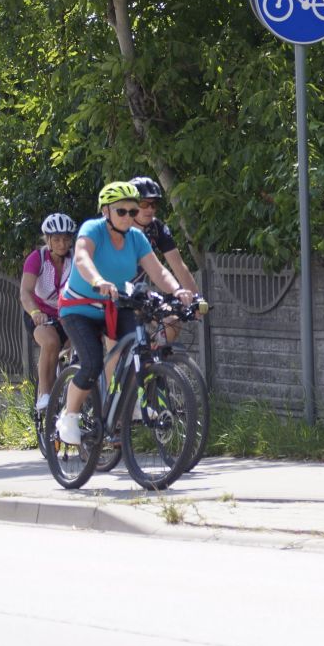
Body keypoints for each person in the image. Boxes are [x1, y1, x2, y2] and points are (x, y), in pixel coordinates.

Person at [54, 182, 195, 445]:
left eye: (133, 211)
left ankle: (129, 406)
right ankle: (69, 416)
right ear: (105, 211)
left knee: (139, 350)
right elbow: (82, 258)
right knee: (92, 363)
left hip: (116, 305)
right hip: (80, 308)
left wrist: (178, 291)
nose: (129, 217)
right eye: (122, 211)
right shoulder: (92, 229)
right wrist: (98, 280)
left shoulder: (136, 238)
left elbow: (158, 271)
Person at [128, 175, 199, 344]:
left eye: (154, 204)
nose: (150, 209)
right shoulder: (118, 227)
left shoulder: (156, 228)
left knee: (171, 321)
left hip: (137, 293)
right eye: (144, 204)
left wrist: (196, 299)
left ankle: (150, 356)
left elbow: (179, 266)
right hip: (107, 293)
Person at [19, 213, 76, 415]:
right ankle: (44, 394)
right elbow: (25, 292)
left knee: (84, 343)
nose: (62, 244)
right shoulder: (37, 258)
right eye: (57, 239)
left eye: (66, 239)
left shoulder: (75, 259)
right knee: (51, 342)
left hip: (67, 314)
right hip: (40, 315)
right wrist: (35, 312)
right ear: (48, 239)